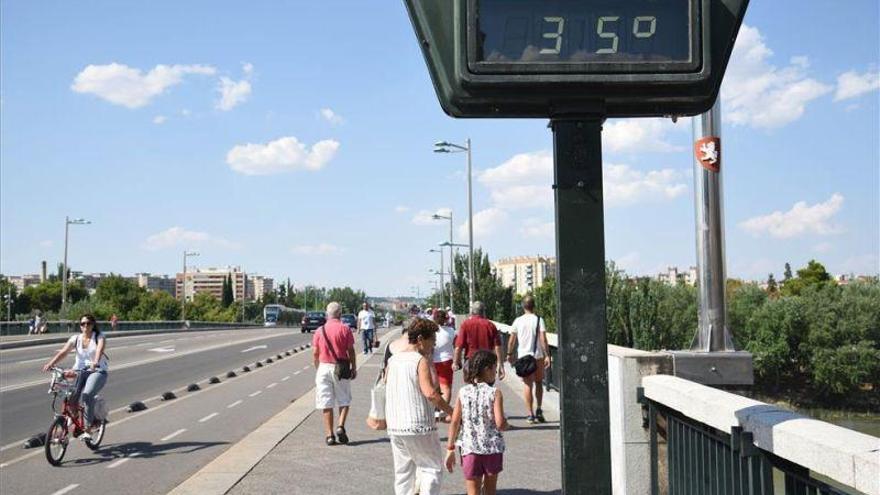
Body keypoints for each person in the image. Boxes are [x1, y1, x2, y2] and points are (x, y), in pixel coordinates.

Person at [385, 318, 454, 495]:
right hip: (418, 424)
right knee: (431, 468)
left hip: (395, 424)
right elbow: (430, 393)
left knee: (403, 473)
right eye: (433, 341)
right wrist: (451, 412)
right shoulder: (419, 360)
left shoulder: (393, 360)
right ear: (421, 338)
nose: (434, 347)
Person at [445, 350, 508, 495]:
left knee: (473, 492)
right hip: (492, 448)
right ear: (487, 369)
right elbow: (499, 423)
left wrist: (450, 448)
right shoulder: (495, 393)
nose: (495, 372)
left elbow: (455, 421)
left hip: (470, 448)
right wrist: (507, 424)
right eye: (495, 368)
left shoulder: (463, 392)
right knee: (490, 491)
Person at [41, 314, 109, 439]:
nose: (85, 326)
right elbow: (64, 352)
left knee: (87, 394)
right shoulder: (76, 338)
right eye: (83, 324)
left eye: (88, 323)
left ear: (93, 325)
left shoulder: (99, 337)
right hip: (79, 371)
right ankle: (76, 423)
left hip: (97, 371)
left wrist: (95, 361)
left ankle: (88, 429)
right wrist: (51, 364)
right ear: (80, 326)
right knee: (70, 397)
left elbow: (99, 350)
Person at [312, 302, 357, 446]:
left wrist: (318, 366)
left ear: (327, 314)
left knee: (326, 402)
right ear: (340, 314)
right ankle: (340, 426)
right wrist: (353, 367)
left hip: (324, 367)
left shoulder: (320, 330)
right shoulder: (345, 329)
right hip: (341, 368)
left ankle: (329, 435)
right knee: (344, 399)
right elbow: (351, 351)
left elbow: (315, 352)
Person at [506, 295, 551, 424]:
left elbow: (512, 339)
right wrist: (547, 354)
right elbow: (543, 339)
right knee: (538, 383)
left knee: (527, 385)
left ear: (523, 306)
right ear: (534, 305)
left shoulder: (518, 321)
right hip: (537, 356)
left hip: (524, 357)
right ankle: (539, 409)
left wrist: (509, 354)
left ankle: (530, 414)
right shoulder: (538, 320)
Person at [453, 301, 505, 381]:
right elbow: (497, 346)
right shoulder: (490, 325)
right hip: (487, 363)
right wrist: (500, 364)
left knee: (471, 388)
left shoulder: (466, 324)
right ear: (483, 312)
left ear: (472, 312)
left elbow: (459, 346)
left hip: (471, 361)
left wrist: (456, 362)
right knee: (487, 388)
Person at [432, 309, 456, 406]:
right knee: (446, 387)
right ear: (446, 319)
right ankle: (443, 410)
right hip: (446, 361)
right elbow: (456, 345)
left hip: (432, 361)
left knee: (434, 386)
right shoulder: (451, 331)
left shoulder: (431, 332)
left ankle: (435, 408)